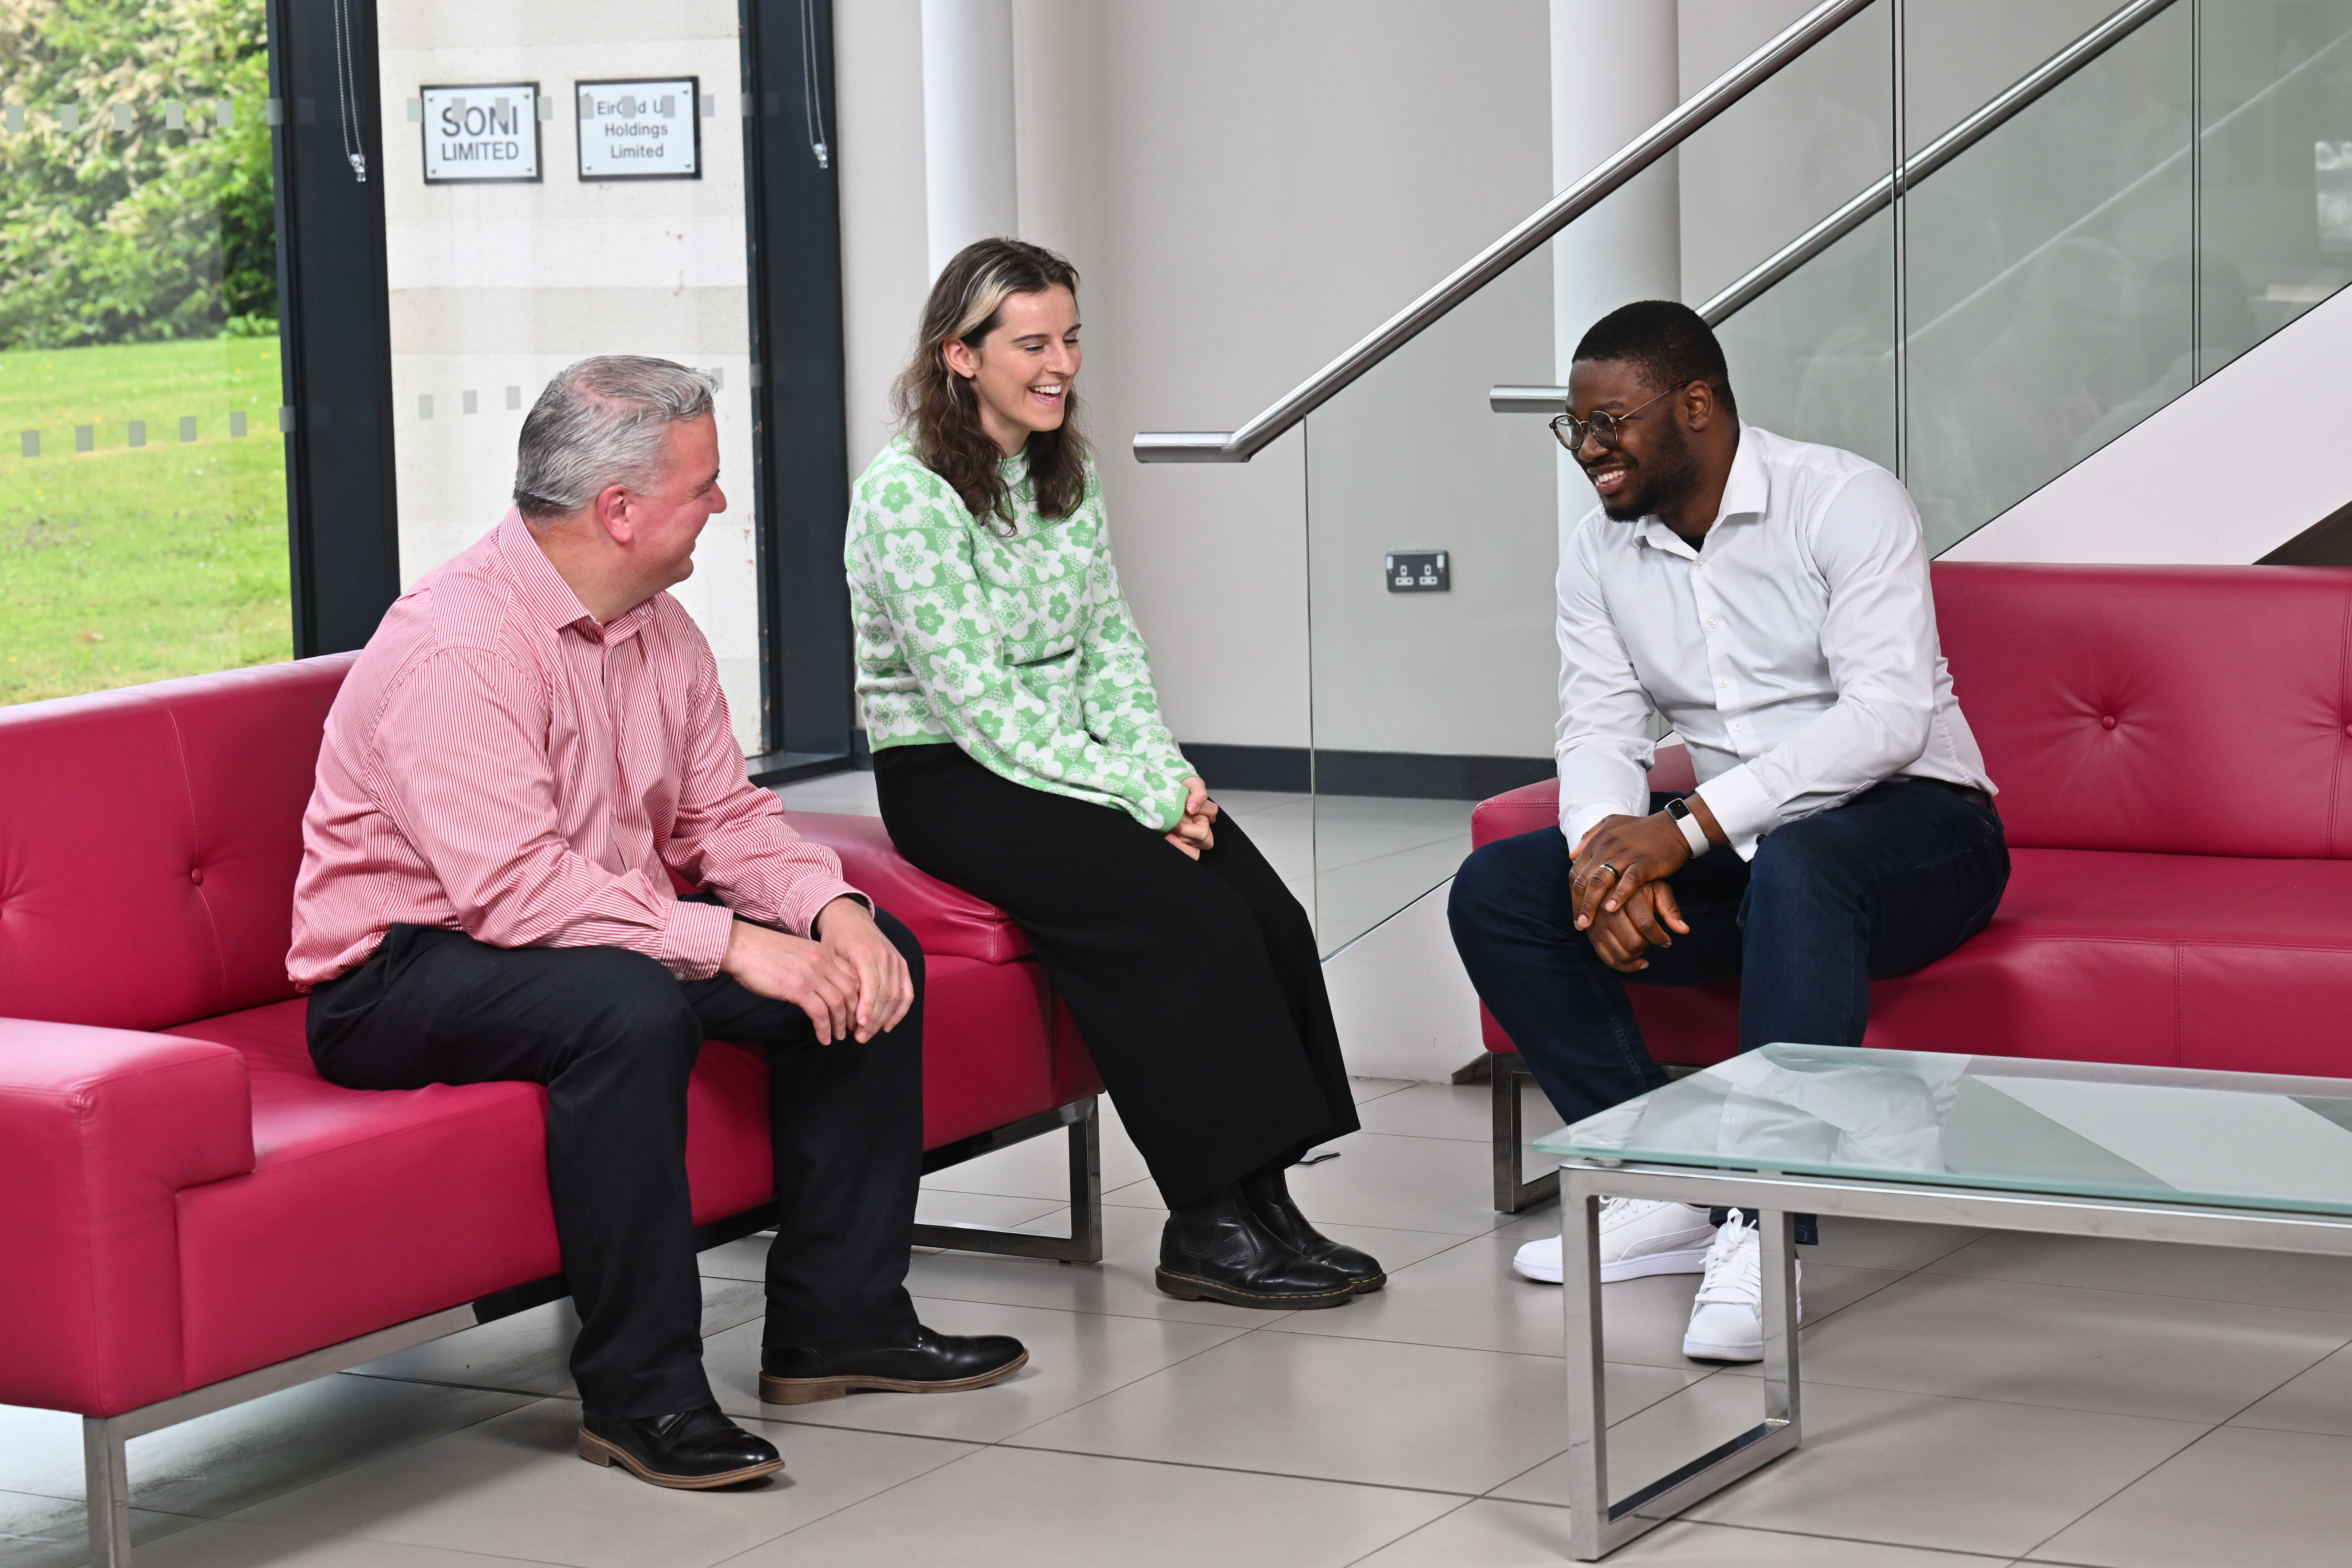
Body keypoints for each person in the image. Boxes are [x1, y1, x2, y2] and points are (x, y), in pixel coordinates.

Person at [288, 356, 1027, 1492]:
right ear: (619, 511)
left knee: (875, 961)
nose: (723, 506)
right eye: (706, 485)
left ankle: (841, 1322)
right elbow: (515, 894)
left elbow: (723, 820)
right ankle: (643, 1398)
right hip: (401, 970)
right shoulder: (462, 646)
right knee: (628, 1010)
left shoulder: (657, 628)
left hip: (581, 930)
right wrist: (732, 941)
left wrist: (832, 911)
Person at [1449, 301, 2008, 1361]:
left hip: (1922, 828)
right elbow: (1600, 726)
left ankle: (1764, 1222)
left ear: (1696, 406)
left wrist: (1688, 829)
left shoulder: (1845, 502)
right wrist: (1599, 864)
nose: (1590, 452)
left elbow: (1885, 721)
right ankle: (1661, 1187)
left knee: (1805, 860)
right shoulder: (1599, 551)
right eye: (1575, 429)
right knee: (1498, 893)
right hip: (1748, 851)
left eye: (1610, 422)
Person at [844, 238, 1378, 1310]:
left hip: (1073, 759)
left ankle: (1266, 1200)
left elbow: (1111, 650)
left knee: (1265, 914)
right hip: (954, 772)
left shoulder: (1063, 471)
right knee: (1192, 925)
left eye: (1071, 339)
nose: (1061, 364)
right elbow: (980, 709)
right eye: (1032, 343)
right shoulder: (907, 497)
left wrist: (1163, 775)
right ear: (960, 355)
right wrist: (1132, 795)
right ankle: (1205, 1223)